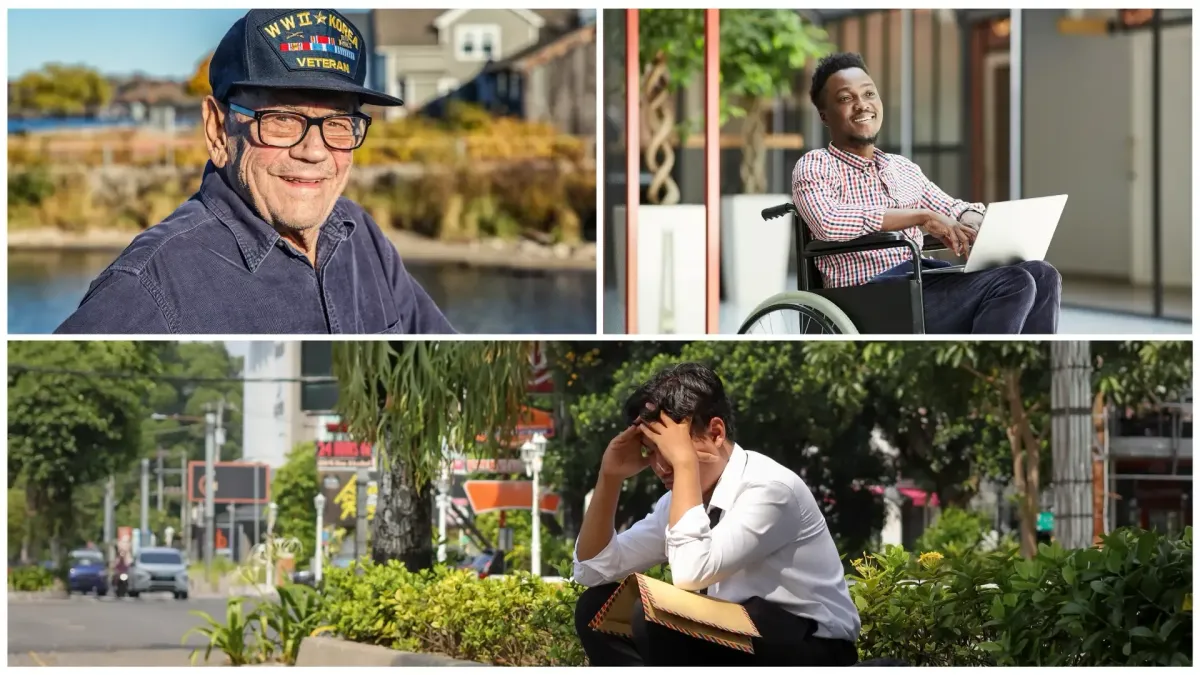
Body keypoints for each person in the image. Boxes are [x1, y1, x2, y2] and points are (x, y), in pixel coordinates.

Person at [55, 9, 454, 334]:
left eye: (336, 123)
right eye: (281, 118)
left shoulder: (359, 233)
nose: (314, 151)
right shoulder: (146, 288)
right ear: (216, 129)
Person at [572, 363, 860, 666]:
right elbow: (591, 570)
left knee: (654, 616)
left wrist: (685, 464)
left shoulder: (770, 488)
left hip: (814, 646)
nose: (660, 465)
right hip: (739, 633)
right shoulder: (679, 500)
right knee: (595, 607)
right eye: (651, 450)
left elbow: (690, 574)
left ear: (716, 432)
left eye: (671, 447)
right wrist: (610, 477)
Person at [794, 52, 1060, 334]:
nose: (862, 105)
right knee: (1013, 284)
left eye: (869, 94)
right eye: (846, 99)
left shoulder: (902, 168)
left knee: (1042, 274)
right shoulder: (815, 164)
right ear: (825, 116)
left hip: (921, 277)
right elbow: (828, 221)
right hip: (868, 294)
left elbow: (952, 206)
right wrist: (919, 216)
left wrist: (973, 220)